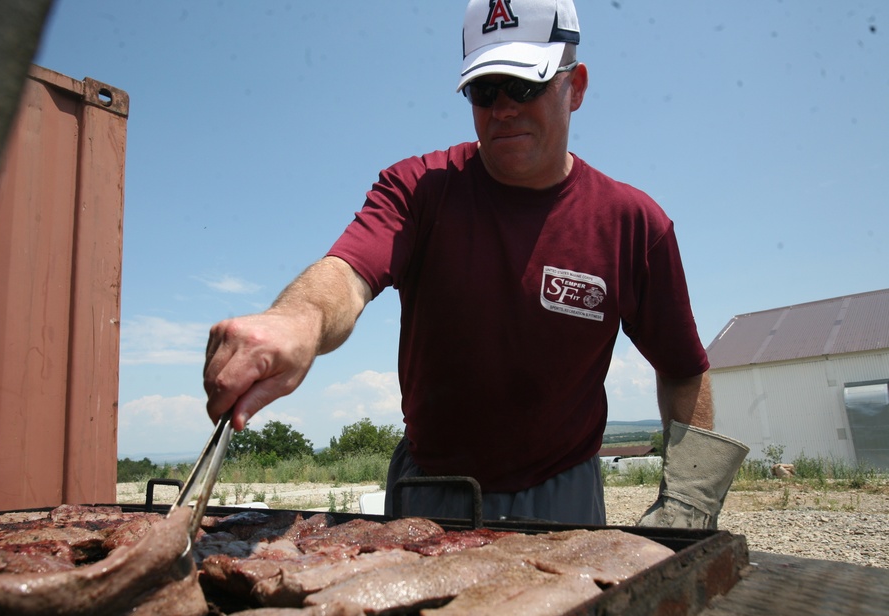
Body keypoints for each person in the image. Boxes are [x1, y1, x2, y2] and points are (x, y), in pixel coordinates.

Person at [203, 0, 748, 527]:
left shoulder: (634, 225)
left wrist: (689, 501)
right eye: (484, 90)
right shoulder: (420, 189)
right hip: (430, 491)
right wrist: (297, 320)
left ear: (575, 87)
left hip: (563, 493)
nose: (502, 108)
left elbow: (682, 367)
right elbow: (348, 272)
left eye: (524, 85)